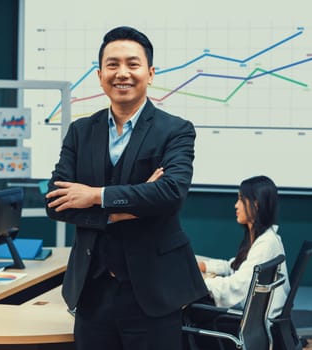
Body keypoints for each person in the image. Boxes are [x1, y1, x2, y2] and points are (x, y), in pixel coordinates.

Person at [45, 26, 207, 350]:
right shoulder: (80, 131)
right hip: (92, 291)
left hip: (154, 292)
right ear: (100, 73)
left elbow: (170, 193)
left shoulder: (175, 131)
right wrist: (119, 213)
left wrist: (94, 196)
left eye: (132, 64)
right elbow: (55, 201)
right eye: (112, 64)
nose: (122, 73)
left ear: (150, 73)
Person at [197, 175, 290, 317]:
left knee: (194, 311)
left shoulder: (265, 245)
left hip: (254, 323)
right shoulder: (265, 238)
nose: (236, 205)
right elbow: (236, 267)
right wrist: (204, 266)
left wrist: (203, 282)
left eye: (241, 199)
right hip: (256, 320)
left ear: (256, 204)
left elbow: (237, 285)